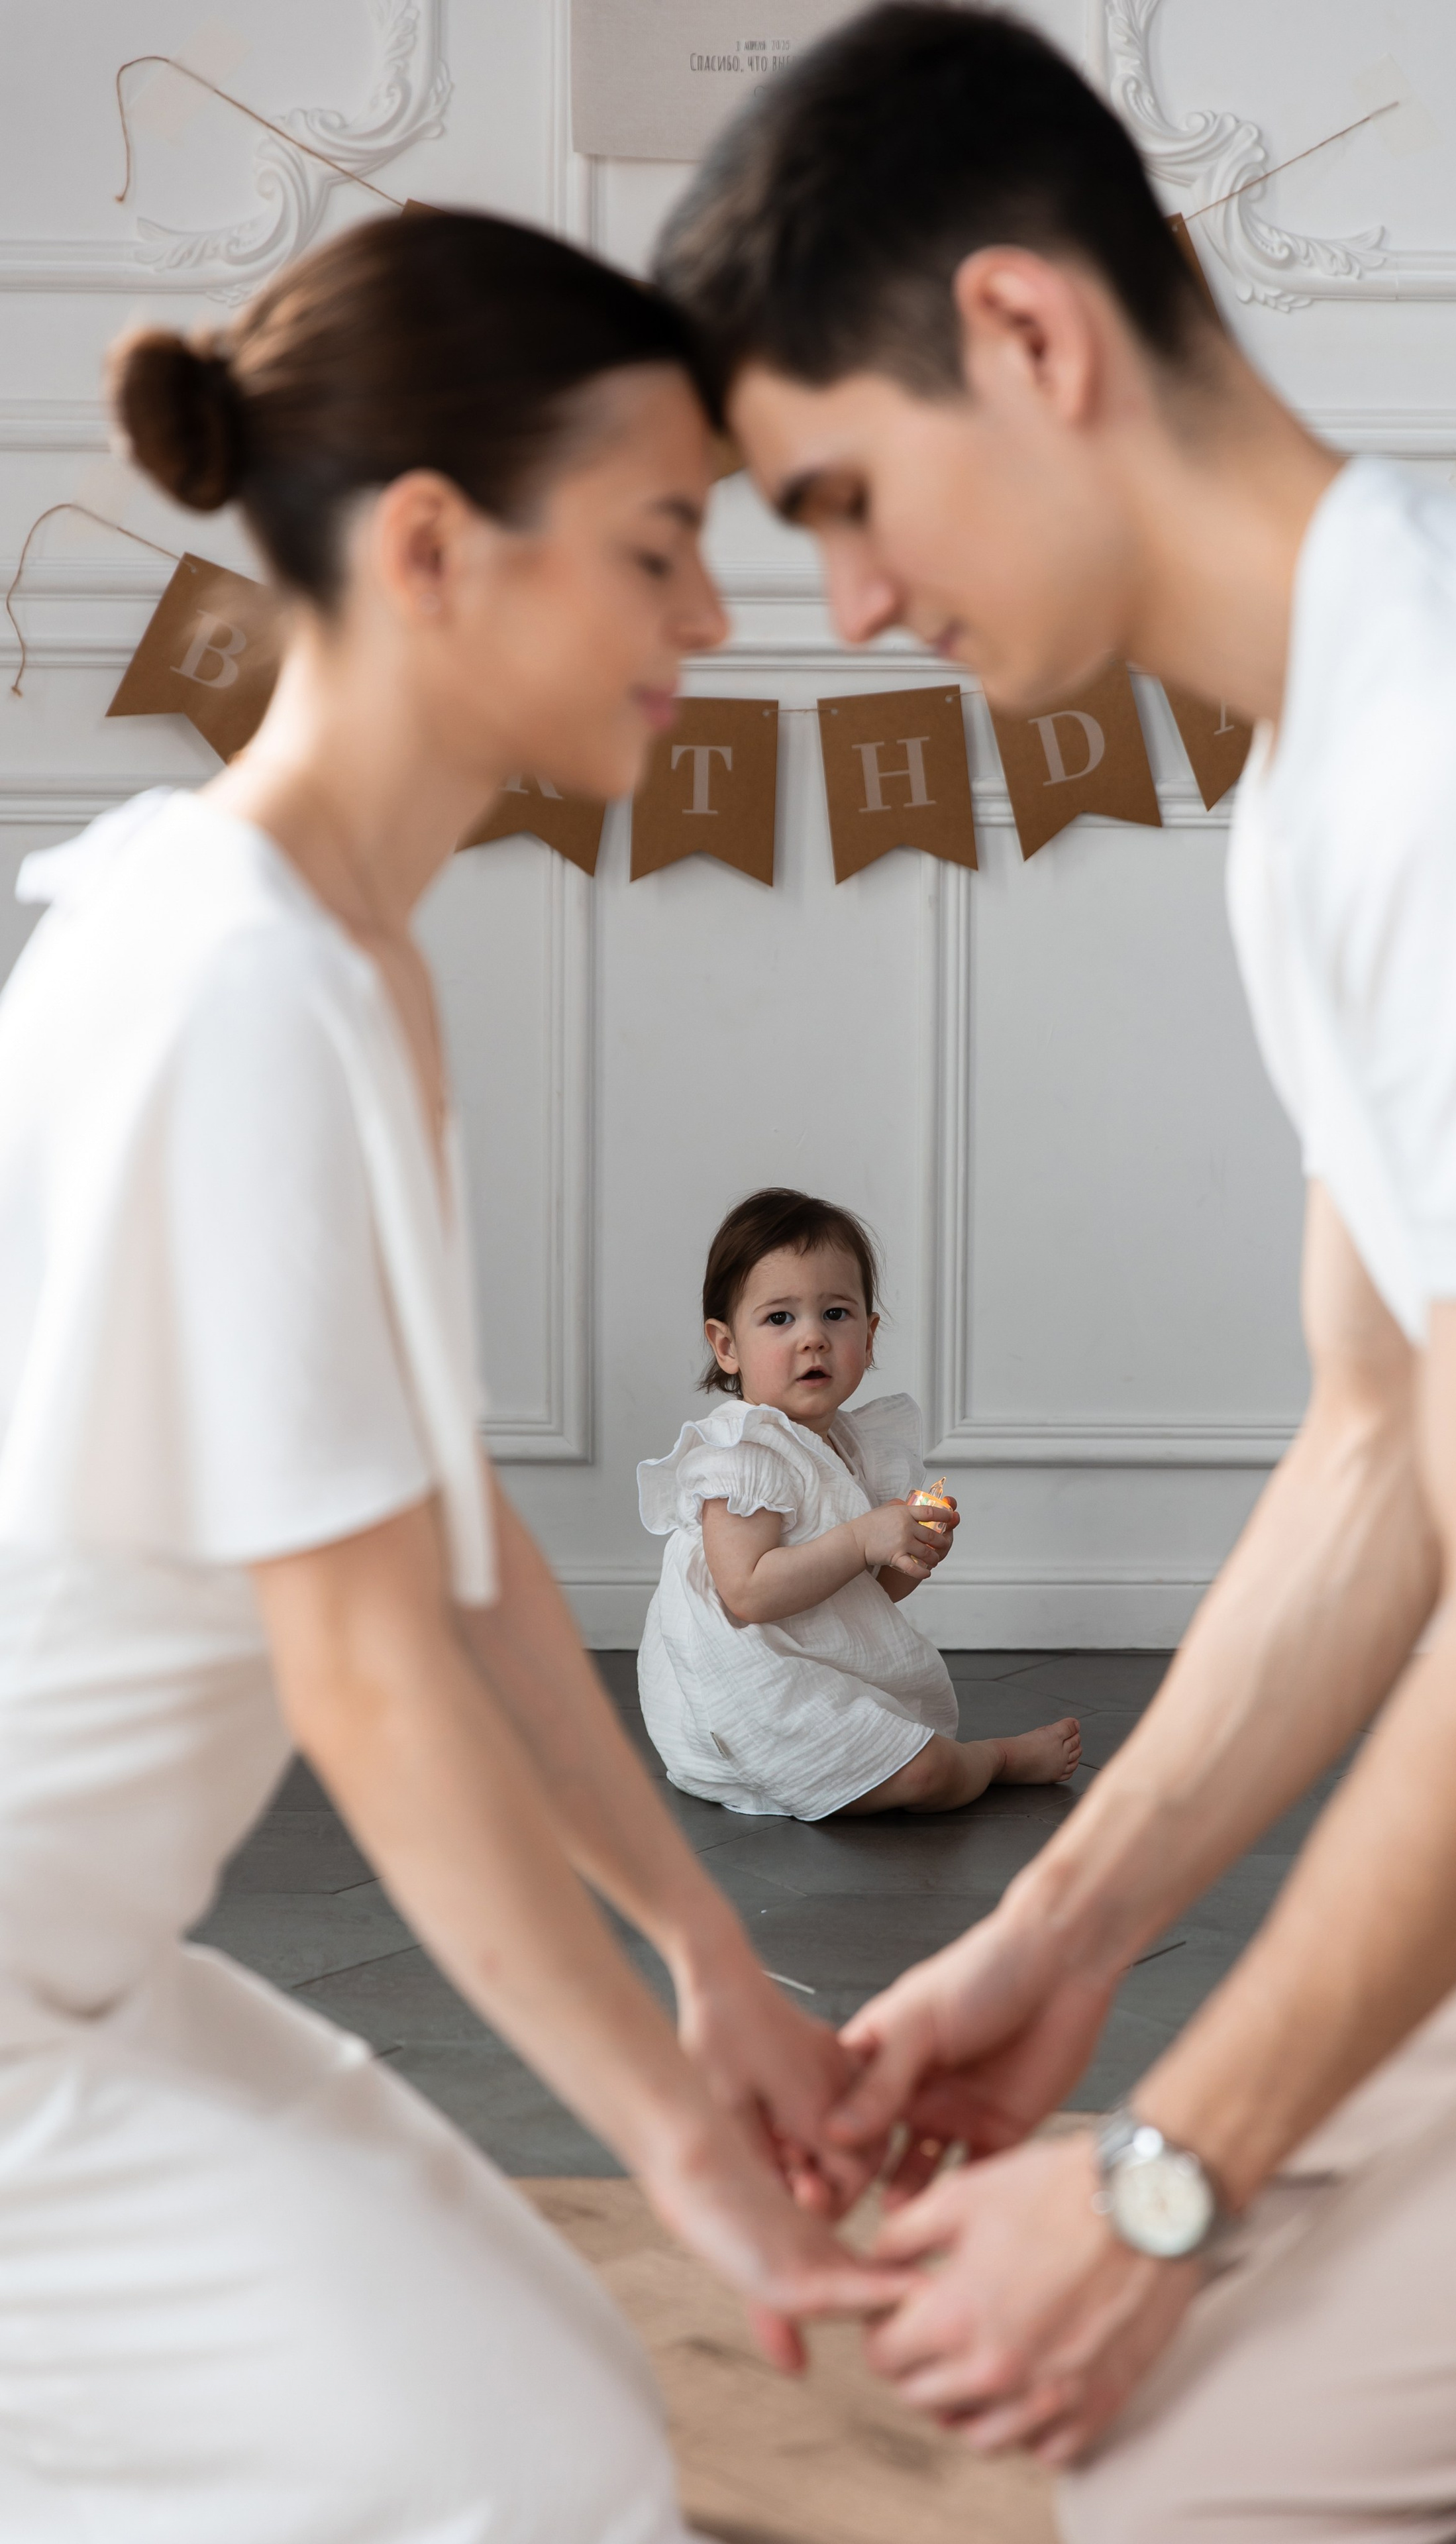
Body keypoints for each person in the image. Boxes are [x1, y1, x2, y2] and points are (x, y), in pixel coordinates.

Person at [655, 6, 1456, 2533]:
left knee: (1190, 2474)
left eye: (842, 494)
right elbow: (1379, 1447)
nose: (852, 598)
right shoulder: (1326, 781)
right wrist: (1063, 1940)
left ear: (1025, 334)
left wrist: (1158, 2180)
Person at [0, 209, 906, 2543]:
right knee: (524, 2466)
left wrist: (703, 1961)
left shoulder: (339, 966)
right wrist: (670, 2133)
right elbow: (368, 1674)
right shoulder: (232, 982)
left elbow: (450, 1531)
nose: (715, 617)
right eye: (658, 546)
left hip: (75, 1969)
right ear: (431, 548)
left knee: (534, 2423)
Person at [637, 1185, 1081, 1817]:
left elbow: (859, 1595)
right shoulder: (745, 1455)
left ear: (869, 1338)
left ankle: (902, 1760)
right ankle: (996, 1760)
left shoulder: (852, 1446)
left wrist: (904, 1551)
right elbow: (749, 1593)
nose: (813, 1338)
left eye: (836, 1315)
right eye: (780, 1318)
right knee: (925, 1774)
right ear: (727, 1345)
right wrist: (862, 1537)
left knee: (903, 1752)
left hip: (807, 1669)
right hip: (739, 1699)